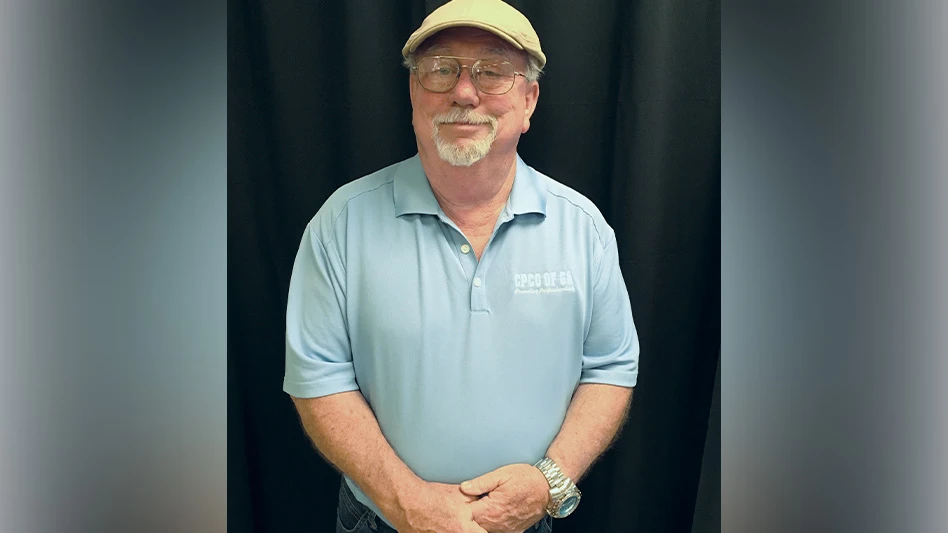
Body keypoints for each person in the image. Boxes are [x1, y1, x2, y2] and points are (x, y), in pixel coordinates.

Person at [284, 0, 639, 531]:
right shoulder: (341, 224)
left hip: (527, 519)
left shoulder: (583, 230)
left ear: (529, 100)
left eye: (492, 72)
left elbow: (610, 369)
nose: (465, 92)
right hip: (381, 521)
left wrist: (548, 482)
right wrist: (407, 503)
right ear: (414, 93)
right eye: (441, 69)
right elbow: (318, 379)